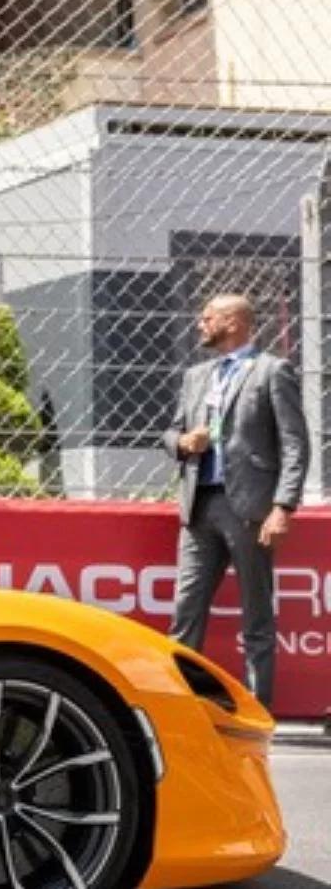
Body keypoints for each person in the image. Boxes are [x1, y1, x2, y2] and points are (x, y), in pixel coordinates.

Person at [163, 293, 309, 709]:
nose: (199, 325)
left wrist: (283, 506)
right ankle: (179, 702)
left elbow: (295, 444)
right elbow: (170, 433)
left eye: (207, 317)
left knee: (256, 615)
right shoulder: (197, 376)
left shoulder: (271, 372)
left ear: (233, 321)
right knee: (186, 611)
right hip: (199, 505)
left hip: (249, 508)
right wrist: (183, 443)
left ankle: (257, 706)